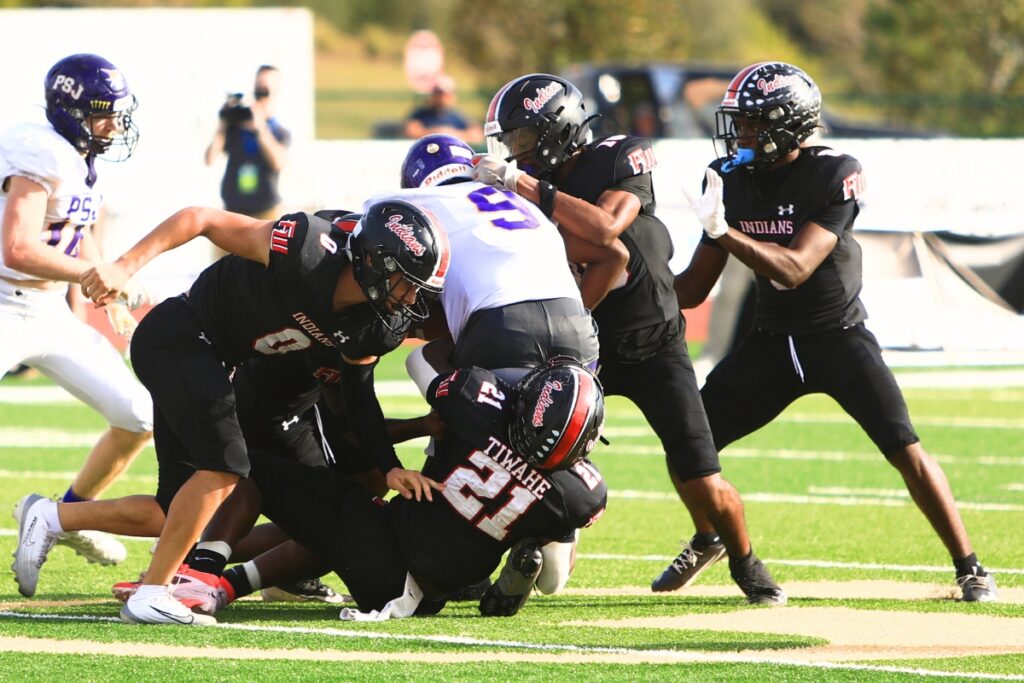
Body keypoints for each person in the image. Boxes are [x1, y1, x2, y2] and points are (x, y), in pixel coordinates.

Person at [12, 199, 450, 625]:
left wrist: (389, 467)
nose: (410, 297)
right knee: (224, 466)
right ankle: (152, 594)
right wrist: (124, 266)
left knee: (175, 509)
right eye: (405, 281)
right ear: (374, 261)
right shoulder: (309, 249)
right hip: (181, 335)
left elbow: (358, 399)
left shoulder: (374, 324)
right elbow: (198, 218)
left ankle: (50, 517)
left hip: (212, 360)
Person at [671, 61, 998, 603]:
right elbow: (692, 290)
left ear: (789, 123)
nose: (742, 134)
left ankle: (970, 566)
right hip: (771, 341)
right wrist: (634, 274)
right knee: (689, 444)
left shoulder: (834, 172)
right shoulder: (729, 177)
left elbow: (796, 268)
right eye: (741, 123)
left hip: (837, 335)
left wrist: (723, 230)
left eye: (753, 123)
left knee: (905, 449)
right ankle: (714, 539)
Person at [472, 74, 785, 604]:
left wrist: (525, 186)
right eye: (512, 144)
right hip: (579, 344)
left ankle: (745, 562)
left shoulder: (620, 156)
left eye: (523, 140)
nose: (517, 154)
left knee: (700, 472)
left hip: (653, 341)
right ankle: (501, 562)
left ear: (557, 131)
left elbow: (605, 230)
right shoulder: (523, 187)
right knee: (529, 450)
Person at [149, 357, 608, 621]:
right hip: (436, 589)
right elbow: (553, 582)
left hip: (389, 548)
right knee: (344, 520)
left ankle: (199, 577)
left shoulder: (477, 403)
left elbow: (422, 358)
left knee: (250, 467)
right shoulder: (580, 492)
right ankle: (228, 585)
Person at [1, 53, 153, 566]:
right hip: (3, 302)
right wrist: (93, 276)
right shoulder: (38, 149)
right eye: (102, 112)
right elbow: (18, 248)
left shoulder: (81, 154)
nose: (114, 122)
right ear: (70, 111)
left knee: (138, 416)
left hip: (46, 313)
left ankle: (67, 515)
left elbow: (75, 229)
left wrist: (105, 292)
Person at [375, 133, 627, 390]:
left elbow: (361, 233)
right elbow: (616, 253)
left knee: (427, 369)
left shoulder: (419, 205)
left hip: (502, 330)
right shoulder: (523, 200)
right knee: (570, 425)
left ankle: (477, 423)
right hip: (579, 332)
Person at [204, 65, 290, 220]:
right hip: (233, 210)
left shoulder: (279, 132)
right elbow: (209, 159)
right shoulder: (236, 128)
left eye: (264, 90)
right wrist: (224, 123)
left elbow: (278, 162)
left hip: (266, 212)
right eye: (257, 89)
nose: (259, 95)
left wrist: (260, 128)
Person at [403, 75, 483, 145]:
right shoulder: (420, 115)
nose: (442, 98)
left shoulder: (458, 117)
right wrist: (441, 133)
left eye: (446, 95)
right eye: (439, 94)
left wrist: (450, 134)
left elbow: (476, 135)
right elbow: (411, 132)